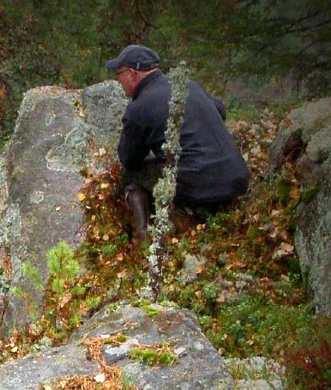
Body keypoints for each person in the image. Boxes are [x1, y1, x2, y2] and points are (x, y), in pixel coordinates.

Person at [106, 44, 249, 243]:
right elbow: (221, 111)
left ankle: (143, 237)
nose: (118, 80)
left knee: (128, 177)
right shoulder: (189, 85)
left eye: (118, 74)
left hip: (198, 187)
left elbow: (129, 159)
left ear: (132, 73)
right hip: (237, 180)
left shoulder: (139, 108)